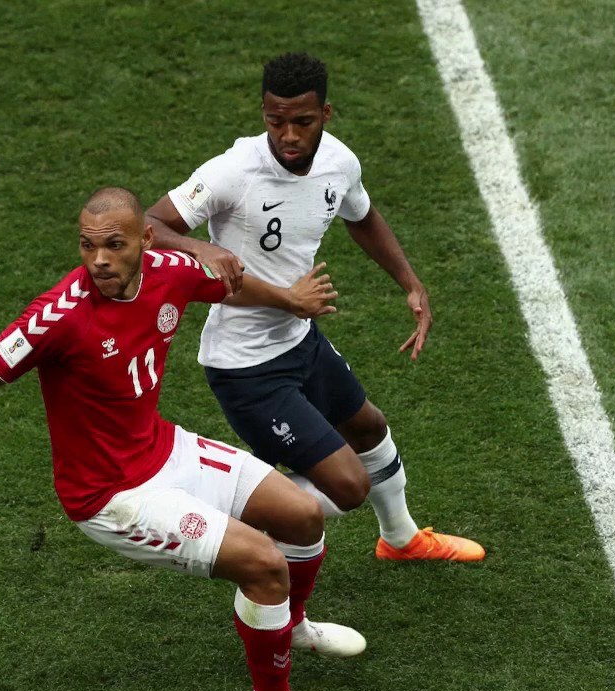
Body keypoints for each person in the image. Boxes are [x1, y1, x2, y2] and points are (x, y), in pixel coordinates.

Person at [0, 187, 363, 691]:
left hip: (162, 449)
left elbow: (226, 284)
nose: (99, 260)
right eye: (87, 246)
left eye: (114, 245)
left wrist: (289, 299)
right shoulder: (58, 317)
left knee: (303, 517)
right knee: (263, 564)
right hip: (109, 496)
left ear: (145, 242)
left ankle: (290, 624)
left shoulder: (169, 270)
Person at [145, 53, 484, 562]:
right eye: (274, 121)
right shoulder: (233, 171)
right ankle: (213, 518)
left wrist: (410, 281)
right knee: (348, 488)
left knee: (369, 428)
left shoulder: (339, 163)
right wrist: (203, 249)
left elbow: (362, 216)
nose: (287, 135)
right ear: (263, 112)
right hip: (244, 367)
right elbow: (151, 225)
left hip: (298, 342)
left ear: (325, 114)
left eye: (302, 122)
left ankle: (401, 540)